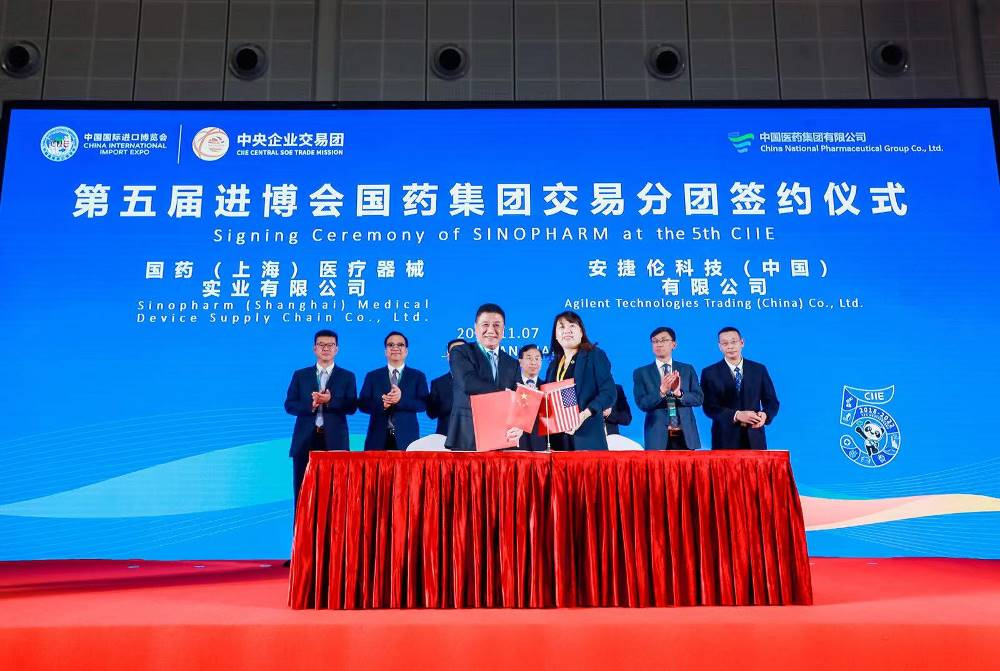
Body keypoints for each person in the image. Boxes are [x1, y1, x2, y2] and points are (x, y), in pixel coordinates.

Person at [284, 329, 357, 514]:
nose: (326, 348)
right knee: (302, 494)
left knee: (336, 495)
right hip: (305, 441)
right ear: (314, 348)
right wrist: (311, 404)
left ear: (337, 349)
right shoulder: (300, 375)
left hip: (335, 442)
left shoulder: (347, 376)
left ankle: (334, 533)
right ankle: (302, 533)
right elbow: (289, 405)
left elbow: (351, 406)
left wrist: (330, 401)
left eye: (330, 345)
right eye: (321, 345)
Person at [446, 303, 521, 451]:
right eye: (485, 324)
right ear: (475, 327)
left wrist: (519, 425)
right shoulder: (460, 352)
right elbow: (467, 383)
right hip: (467, 437)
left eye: (497, 325)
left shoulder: (512, 363)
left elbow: (518, 399)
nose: (491, 330)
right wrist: (505, 394)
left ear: (504, 329)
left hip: (502, 439)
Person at [543, 311, 616, 451]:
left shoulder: (594, 355)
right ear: (556, 336)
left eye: (572, 326)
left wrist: (584, 415)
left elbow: (609, 393)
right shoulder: (553, 365)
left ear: (581, 332)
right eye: (561, 327)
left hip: (587, 438)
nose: (567, 330)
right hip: (558, 442)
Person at [700, 326, 779, 450]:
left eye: (733, 342)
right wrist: (736, 415)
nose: (730, 347)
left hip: (755, 437)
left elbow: (772, 401)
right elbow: (709, 407)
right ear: (719, 346)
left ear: (742, 342)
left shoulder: (759, 370)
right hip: (724, 439)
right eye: (725, 343)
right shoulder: (709, 373)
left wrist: (765, 415)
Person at [632, 326, 703, 450]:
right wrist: (661, 392)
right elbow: (642, 404)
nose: (659, 344)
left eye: (663, 340)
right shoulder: (641, 373)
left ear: (674, 344)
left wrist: (679, 393)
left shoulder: (687, 369)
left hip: (685, 434)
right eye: (655, 341)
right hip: (657, 435)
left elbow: (699, 398)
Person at [358, 331, 429, 451]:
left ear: (406, 351)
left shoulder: (417, 376)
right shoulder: (373, 376)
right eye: (391, 345)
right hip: (377, 438)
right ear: (385, 351)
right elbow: (362, 404)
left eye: (400, 345)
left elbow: (423, 404)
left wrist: (400, 400)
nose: (395, 348)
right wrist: (383, 405)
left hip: (407, 438)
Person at [426, 338, 466, 435]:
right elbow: (431, 414)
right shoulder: (438, 384)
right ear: (448, 357)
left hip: (476, 438)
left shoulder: (481, 381)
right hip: (446, 437)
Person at [515, 343, 548, 451]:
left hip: (540, 446)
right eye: (529, 358)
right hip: (516, 446)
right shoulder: (510, 386)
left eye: (537, 358)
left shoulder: (547, 387)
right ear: (520, 362)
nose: (533, 362)